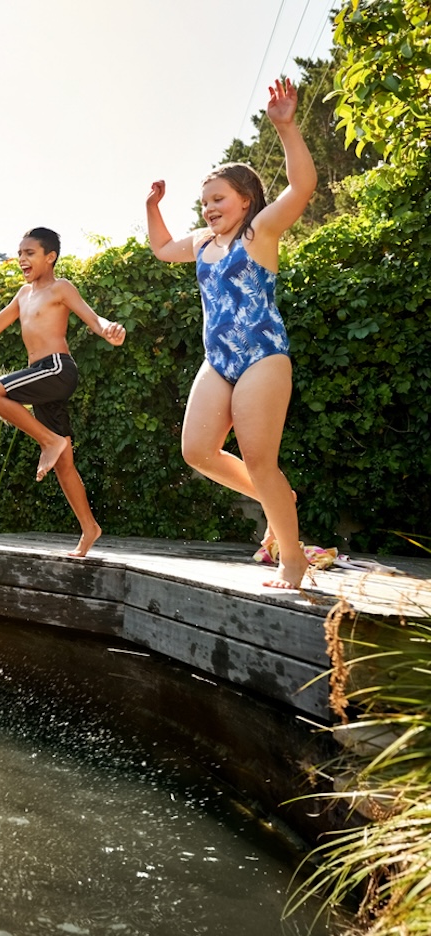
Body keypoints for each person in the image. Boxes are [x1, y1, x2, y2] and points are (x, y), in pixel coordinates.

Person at [145, 77, 316, 590]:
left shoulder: (261, 233)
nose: (209, 208)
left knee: (261, 460)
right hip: (218, 360)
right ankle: (277, 502)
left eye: (217, 199)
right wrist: (153, 207)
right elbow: (161, 248)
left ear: (245, 201)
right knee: (197, 450)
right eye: (203, 202)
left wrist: (285, 128)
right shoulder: (200, 244)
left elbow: (303, 186)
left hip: (263, 355)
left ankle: (292, 559)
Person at [0, 227, 126, 557]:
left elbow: (92, 318)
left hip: (57, 368)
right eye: (20, 253)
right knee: (64, 464)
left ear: (50, 257)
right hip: (42, 376)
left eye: (29, 253)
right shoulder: (23, 294)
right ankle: (90, 529)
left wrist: (108, 330)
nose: (22, 259)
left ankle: (49, 441)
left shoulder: (61, 287)